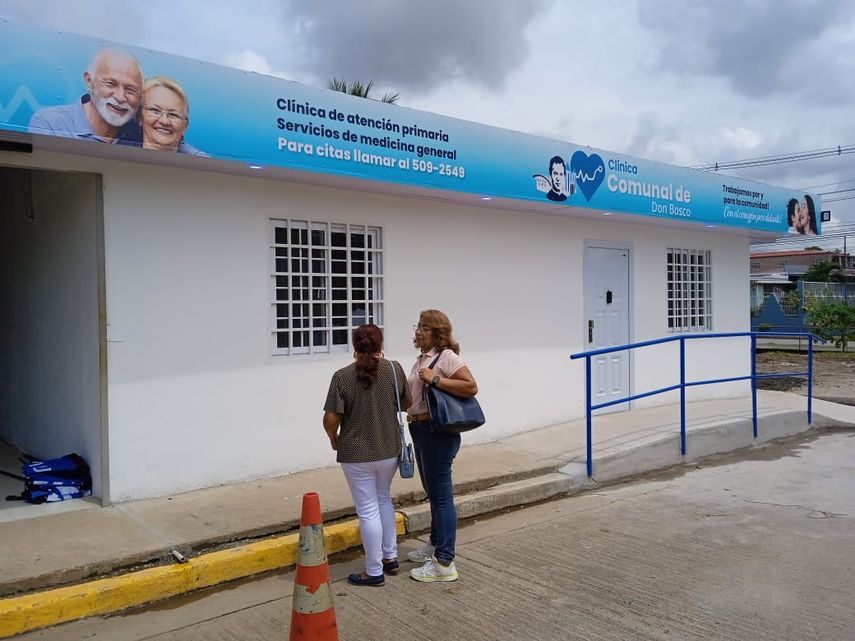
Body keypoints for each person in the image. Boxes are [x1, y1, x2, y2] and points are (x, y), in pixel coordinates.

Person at [323, 324, 411, 587]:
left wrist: (333, 437)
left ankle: (373, 571)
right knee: (383, 499)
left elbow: (330, 418)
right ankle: (391, 557)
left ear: (354, 345)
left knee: (368, 509)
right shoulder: (394, 370)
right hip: (389, 449)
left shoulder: (342, 376)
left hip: (356, 454)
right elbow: (406, 403)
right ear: (380, 343)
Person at [406, 309, 479, 582]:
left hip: (438, 432)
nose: (418, 331)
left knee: (441, 496)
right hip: (420, 429)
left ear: (437, 331)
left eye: (424, 327)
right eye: (418, 326)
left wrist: (436, 379)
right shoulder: (422, 359)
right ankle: (435, 546)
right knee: (432, 493)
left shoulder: (446, 357)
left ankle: (445, 563)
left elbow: (470, 386)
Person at [28, 48, 143, 143]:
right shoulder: (50, 124)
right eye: (110, 84)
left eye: (130, 90)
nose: (120, 97)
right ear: (89, 81)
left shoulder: (139, 134)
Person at [136, 76, 206, 155]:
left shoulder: (203, 165)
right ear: (140, 117)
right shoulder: (120, 149)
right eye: (155, 111)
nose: (164, 121)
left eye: (173, 115)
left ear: (185, 126)